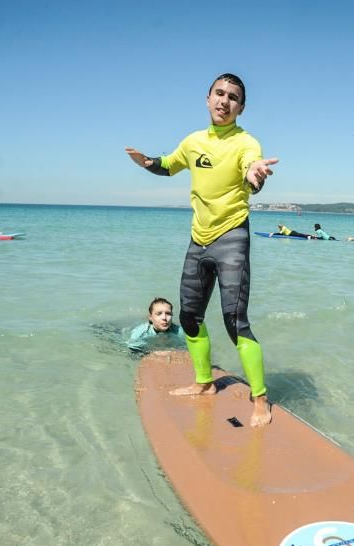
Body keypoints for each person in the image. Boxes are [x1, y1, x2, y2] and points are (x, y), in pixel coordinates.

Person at [126, 73, 278, 427]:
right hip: (198, 239)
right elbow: (169, 165)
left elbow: (251, 170)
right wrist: (146, 161)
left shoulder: (246, 144)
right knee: (190, 317)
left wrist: (255, 174)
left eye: (233, 97)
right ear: (208, 98)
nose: (224, 101)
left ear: (241, 107)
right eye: (219, 93)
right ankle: (205, 383)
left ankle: (260, 399)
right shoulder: (194, 141)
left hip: (231, 238)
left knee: (234, 320)